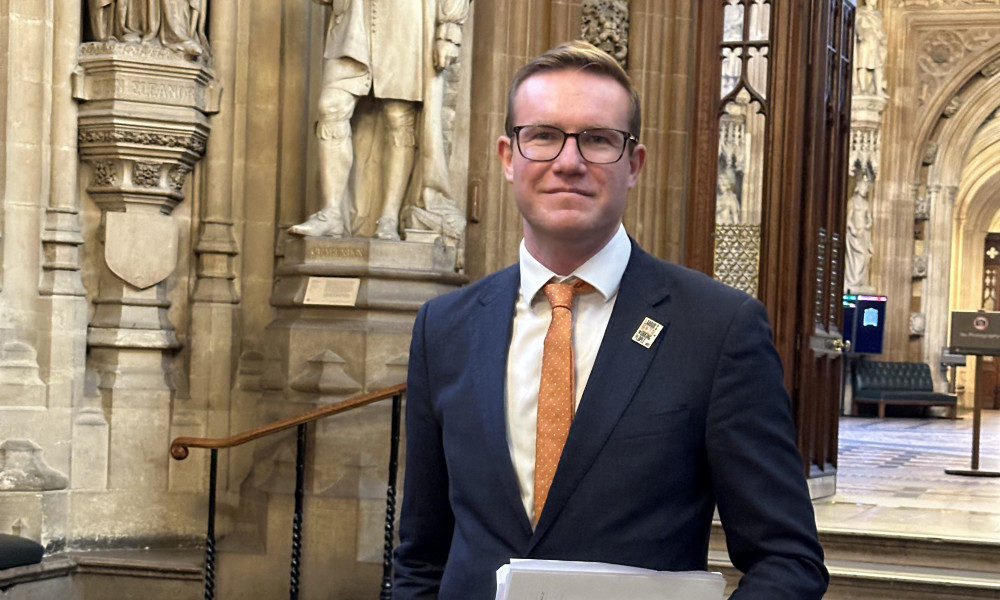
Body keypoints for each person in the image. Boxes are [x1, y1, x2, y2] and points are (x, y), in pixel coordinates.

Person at [394, 41, 828, 599]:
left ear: (635, 163)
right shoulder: (443, 326)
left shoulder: (718, 329)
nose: (568, 161)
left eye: (598, 140)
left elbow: (787, 559)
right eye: (543, 135)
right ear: (508, 156)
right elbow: (422, 555)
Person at [289, 0, 469, 240]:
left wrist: (449, 30)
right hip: (354, 17)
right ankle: (331, 212)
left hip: (406, 19)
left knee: (398, 115)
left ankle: (389, 217)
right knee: (330, 107)